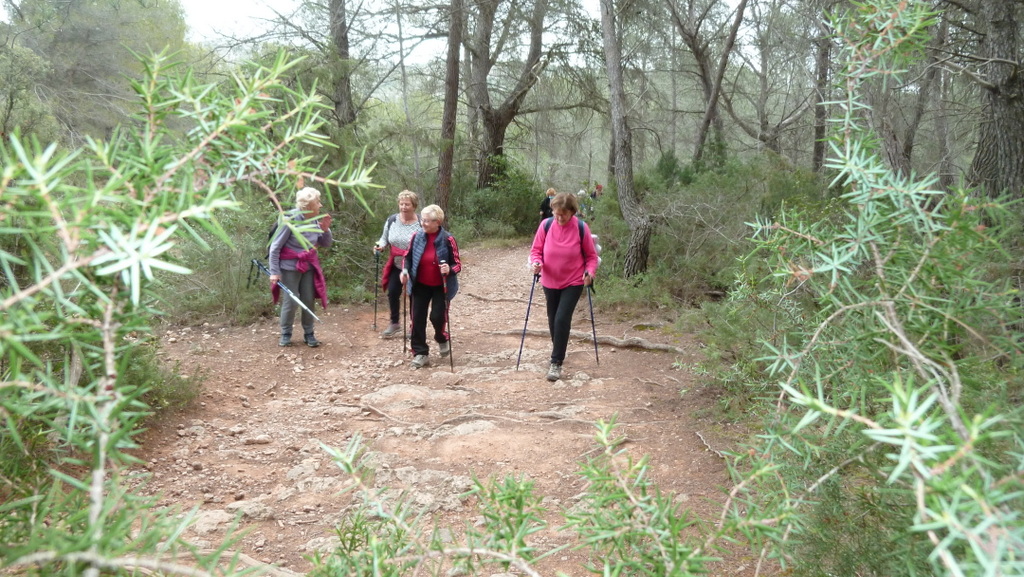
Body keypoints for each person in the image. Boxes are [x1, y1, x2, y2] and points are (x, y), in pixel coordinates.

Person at [529, 192, 599, 381]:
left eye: (563, 214)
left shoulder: (581, 228)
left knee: (561, 319)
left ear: (572, 212)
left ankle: (556, 362)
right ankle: (558, 347)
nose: (559, 218)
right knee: (552, 320)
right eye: (556, 213)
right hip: (550, 280)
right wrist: (536, 263)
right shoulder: (546, 225)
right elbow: (536, 250)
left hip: (574, 280)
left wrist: (590, 273)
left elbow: (591, 257)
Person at [268, 187, 332, 347]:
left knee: (308, 299)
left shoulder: (314, 220)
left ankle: (309, 334)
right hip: (289, 267)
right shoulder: (290, 219)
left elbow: (325, 243)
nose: (320, 205)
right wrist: (274, 272)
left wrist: (325, 230)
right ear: (309, 205)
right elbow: (275, 247)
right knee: (291, 300)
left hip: (309, 266)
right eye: (318, 202)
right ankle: (286, 334)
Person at [401, 205, 462, 369]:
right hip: (419, 284)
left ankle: (442, 337)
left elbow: (457, 265)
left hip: (441, 286)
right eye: (422, 219)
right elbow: (407, 257)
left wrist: (449, 269)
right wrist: (405, 271)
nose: (423, 223)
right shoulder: (416, 236)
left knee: (437, 317)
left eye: (427, 221)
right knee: (417, 319)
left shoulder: (448, 239)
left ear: (438, 222)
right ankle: (420, 353)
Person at [374, 190, 423, 338]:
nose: (403, 207)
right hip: (396, 262)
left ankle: (414, 325)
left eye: (407, 204)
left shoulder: (421, 222)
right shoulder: (392, 220)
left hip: (415, 264)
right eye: (401, 204)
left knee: (414, 294)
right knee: (393, 291)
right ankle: (394, 323)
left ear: (414, 206)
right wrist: (379, 246)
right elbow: (384, 239)